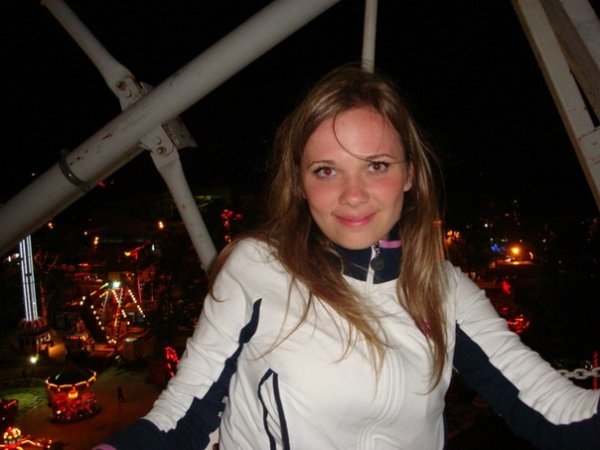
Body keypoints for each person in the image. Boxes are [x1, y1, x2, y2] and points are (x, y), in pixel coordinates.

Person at [93, 64, 600, 449]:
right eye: (326, 170)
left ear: (410, 175)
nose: (353, 195)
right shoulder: (257, 269)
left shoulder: (444, 290)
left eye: (376, 165)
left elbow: (551, 409)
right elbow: (184, 415)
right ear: (300, 183)